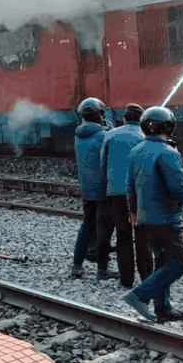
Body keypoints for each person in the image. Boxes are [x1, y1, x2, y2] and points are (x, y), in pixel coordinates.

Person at [123, 106, 183, 324]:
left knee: (162, 262)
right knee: (178, 264)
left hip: (146, 218)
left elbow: (130, 186)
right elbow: (179, 188)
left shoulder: (136, 150)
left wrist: (133, 211)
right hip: (165, 219)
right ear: (169, 126)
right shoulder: (168, 153)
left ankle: (163, 309)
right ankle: (139, 295)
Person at [100, 103, 153, 289]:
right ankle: (147, 277)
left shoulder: (110, 134)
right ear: (141, 120)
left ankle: (126, 279)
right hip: (141, 194)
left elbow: (102, 164)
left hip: (117, 193)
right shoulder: (146, 136)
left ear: (124, 118)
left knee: (122, 235)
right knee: (143, 236)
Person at [70, 97, 112, 280]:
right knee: (103, 229)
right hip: (102, 190)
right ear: (99, 115)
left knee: (87, 226)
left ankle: (76, 266)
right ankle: (102, 269)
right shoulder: (104, 135)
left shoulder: (78, 136)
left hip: (87, 190)